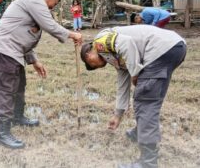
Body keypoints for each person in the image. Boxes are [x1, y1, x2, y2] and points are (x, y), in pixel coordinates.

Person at [0, 0, 82, 149]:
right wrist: (71, 34)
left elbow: (25, 34)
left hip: (14, 52)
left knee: (19, 87)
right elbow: (49, 25)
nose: (51, 8)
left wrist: (34, 61)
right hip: (5, 50)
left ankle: (17, 117)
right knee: (6, 90)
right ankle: (3, 134)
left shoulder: (32, 4)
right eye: (53, 4)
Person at [80, 25, 187, 168]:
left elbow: (127, 44)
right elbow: (122, 84)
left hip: (159, 50)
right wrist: (118, 115)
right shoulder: (113, 55)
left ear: (88, 55)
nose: (96, 67)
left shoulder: (99, 41)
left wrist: (135, 73)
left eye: (91, 65)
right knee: (151, 96)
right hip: (174, 47)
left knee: (144, 101)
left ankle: (148, 163)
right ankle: (139, 132)